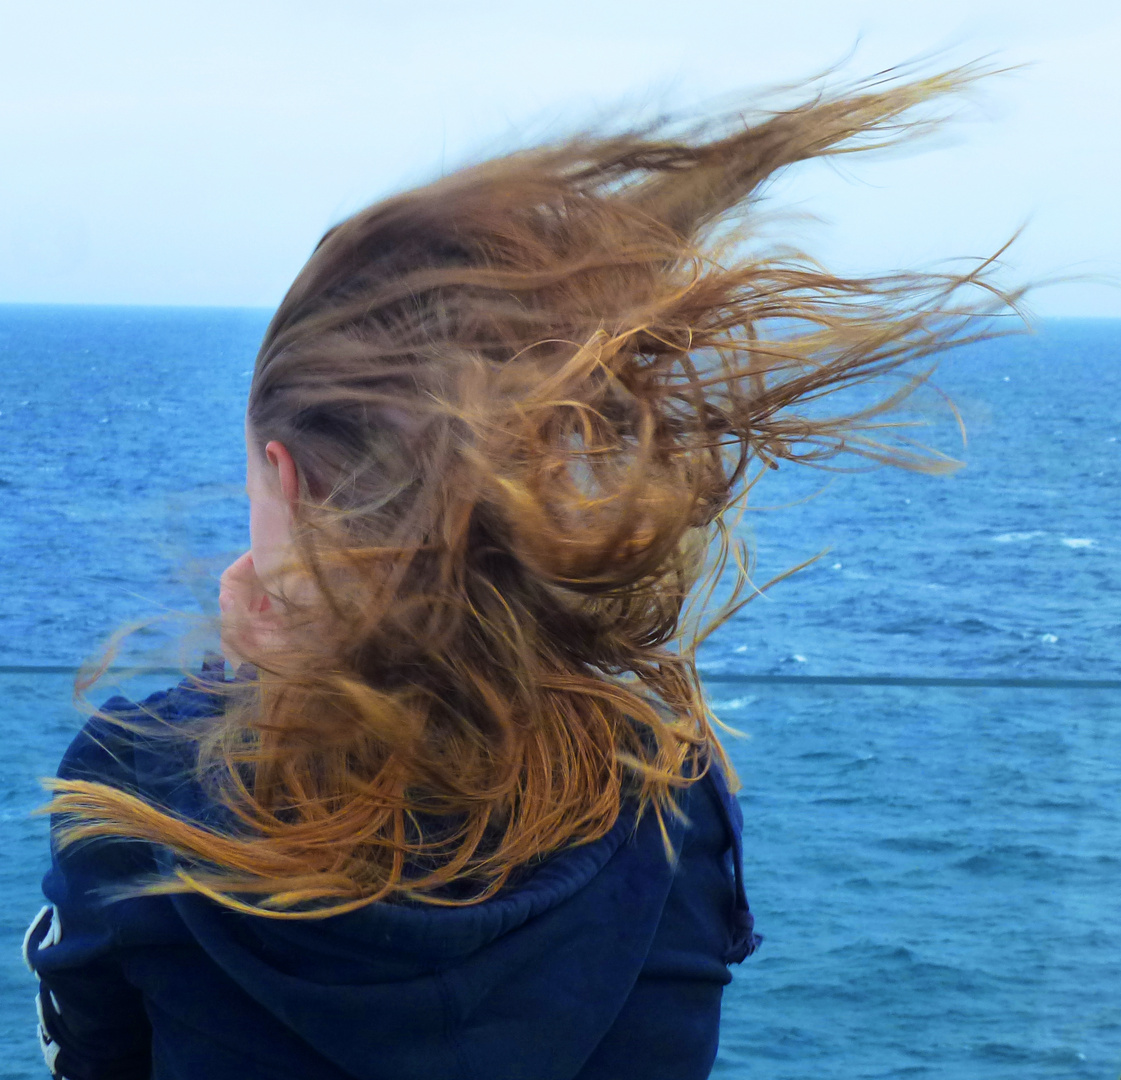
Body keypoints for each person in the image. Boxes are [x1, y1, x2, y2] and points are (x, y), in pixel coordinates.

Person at [24, 65, 1018, 1080]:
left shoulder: (137, 787)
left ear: (288, 482)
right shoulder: (666, 796)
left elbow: (98, 1057)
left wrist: (244, 697)